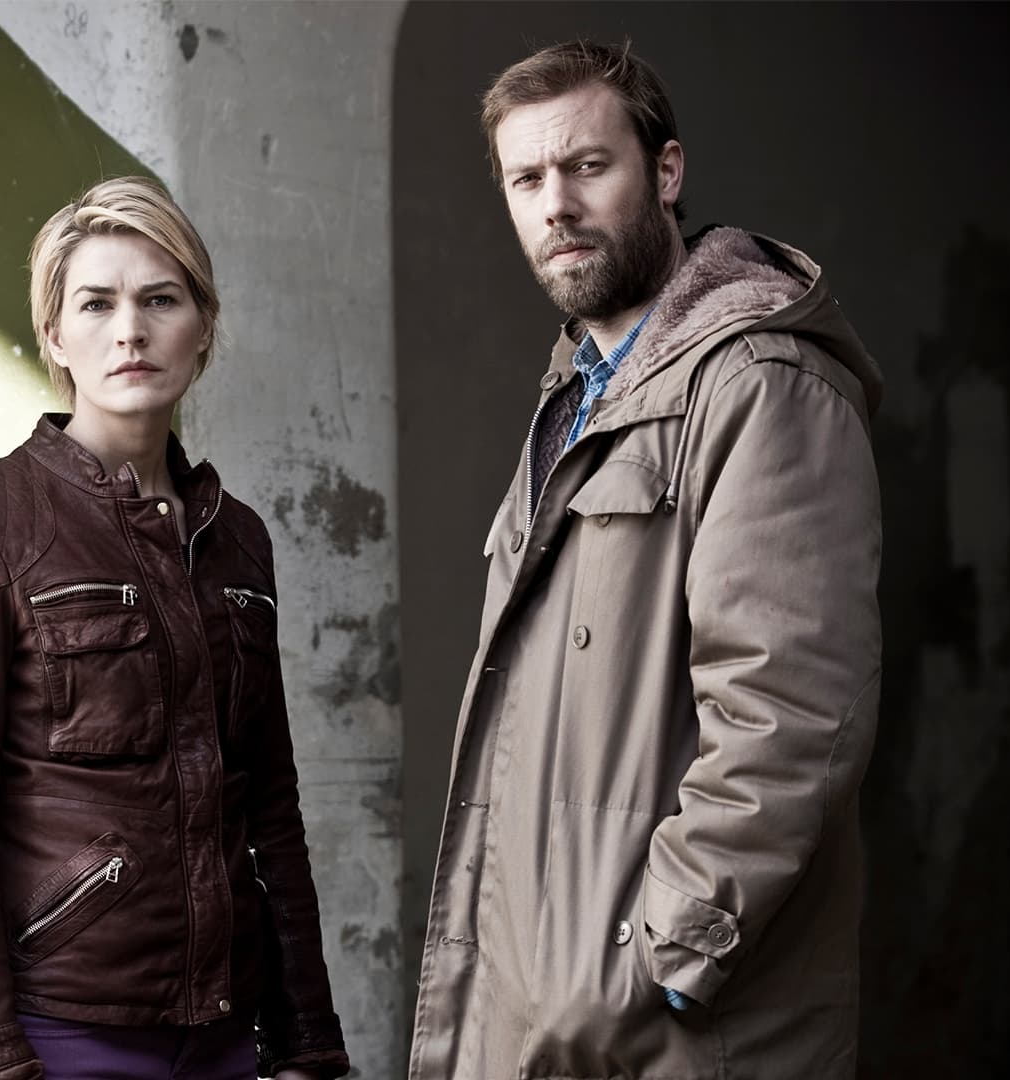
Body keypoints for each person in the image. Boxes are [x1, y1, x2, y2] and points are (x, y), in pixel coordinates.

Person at [408, 38, 885, 1080]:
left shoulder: (762, 382)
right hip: (548, 1014)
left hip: (667, 1024)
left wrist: (665, 955)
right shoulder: (582, 394)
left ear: (665, 172)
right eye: (527, 180)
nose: (556, 206)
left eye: (587, 166)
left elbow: (792, 710)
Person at [0, 176, 348, 1080]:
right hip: (63, 1033)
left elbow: (270, 805)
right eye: (96, 304)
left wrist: (308, 1039)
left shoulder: (238, 540)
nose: (130, 331)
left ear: (203, 326)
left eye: (160, 300)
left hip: (230, 1035)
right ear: (54, 336)